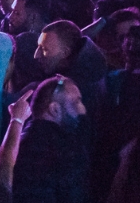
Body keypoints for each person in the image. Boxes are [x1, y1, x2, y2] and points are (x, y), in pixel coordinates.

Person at [10, 75, 92, 203]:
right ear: (54, 109)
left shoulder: (11, 149)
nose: (83, 109)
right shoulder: (66, 154)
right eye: (76, 102)